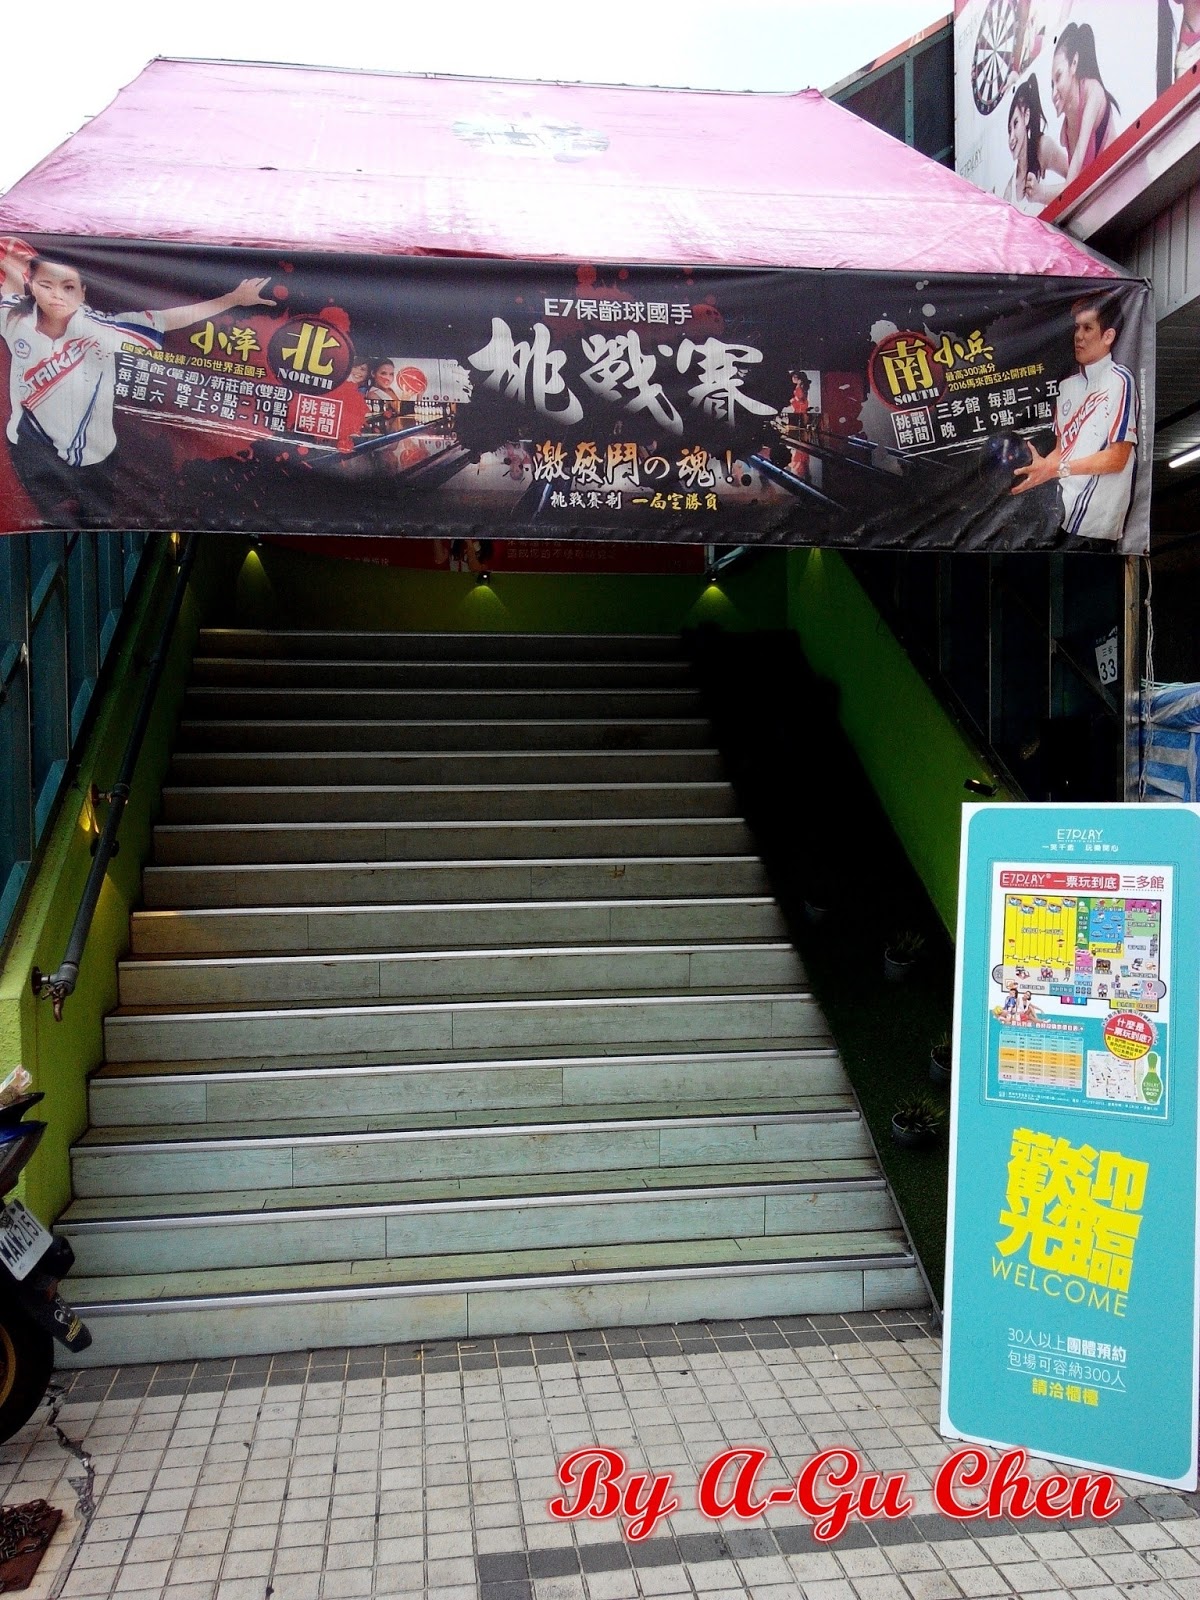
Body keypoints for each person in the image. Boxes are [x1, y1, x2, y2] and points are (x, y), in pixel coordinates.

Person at [0, 239, 276, 526]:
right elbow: (8, 284)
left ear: (82, 292)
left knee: (97, 527)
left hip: (95, 456)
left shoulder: (101, 328)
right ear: (32, 285)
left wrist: (232, 300)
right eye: (46, 285)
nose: (56, 295)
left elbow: (165, 320)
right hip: (32, 447)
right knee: (45, 524)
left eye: (68, 287)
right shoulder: (13, 318)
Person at [1010, 291, 1137, 543]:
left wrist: (1056, 469)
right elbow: (1062, 450)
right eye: (1077, 328)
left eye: (1088, 328)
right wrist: (1040, 470)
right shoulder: (1067, 387)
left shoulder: (1120, 380)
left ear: (1108, 336)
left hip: (1096, 524)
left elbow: (1117, 457)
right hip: (1062, 514)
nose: (1079, 336)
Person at [1038, 22, 1120, 196]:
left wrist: (1040, 193)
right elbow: (1076, 184)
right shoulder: (1065, 131)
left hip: (1120, 186)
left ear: (1074, 63)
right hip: (1099, 198)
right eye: (1052, 84)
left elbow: (1074, 184)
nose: (1053, 93)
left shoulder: (1093, 92)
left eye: (1058, 78)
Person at [1004, 77, 1064, 211]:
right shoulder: (1009, 191)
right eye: (1009, 130)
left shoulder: (1043, 148)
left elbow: (1079, 179)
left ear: (1026, 116)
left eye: (1015, 124)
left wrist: (1042, 193)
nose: (1012, 138)